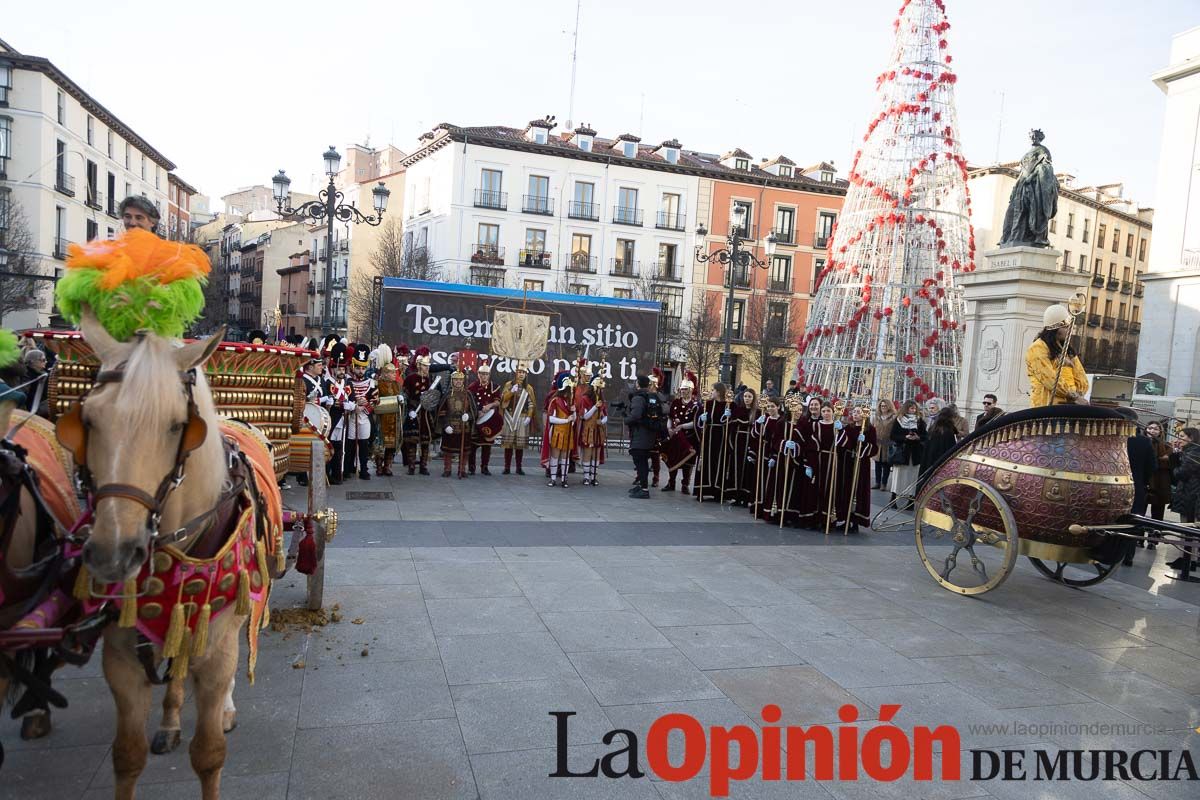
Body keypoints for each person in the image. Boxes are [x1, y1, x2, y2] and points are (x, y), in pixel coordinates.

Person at [1026, 304, 1089, 407]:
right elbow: (1049, 379)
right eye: (1065, 327)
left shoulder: (1067, 350)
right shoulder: (1037, 348)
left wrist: (1078, 395)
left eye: (1069, 326)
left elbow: (1081, 377)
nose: (1069, 330)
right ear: (1055, 329)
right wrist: (1074, 396)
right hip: (1046, 405)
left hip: (1070, 405)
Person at [333, 346, 378, 481]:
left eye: (363, 368)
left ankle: (364, 469)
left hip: (364, 416)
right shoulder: (347, 382)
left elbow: (376, 400)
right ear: (353, 367)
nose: (360, 371)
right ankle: (347, 469)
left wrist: (366, 405)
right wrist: (354, 405)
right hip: (351, 416)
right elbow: (343, 399)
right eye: (358, 368)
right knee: (349, 444)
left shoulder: (371, 383)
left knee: (364, 444)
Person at [837, 404, 878, 532]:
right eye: (854, 412)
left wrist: (864, 443)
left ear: (865, 414)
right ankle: (846, 519)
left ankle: (855, 521)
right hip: (849, 462)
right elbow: (843, 443)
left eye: (858, 412)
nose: (855, 414)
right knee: (847, 489)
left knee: (859, 490)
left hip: (861, 463)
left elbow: (874, 448)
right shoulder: (849, 428)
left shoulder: (870, 429)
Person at [780, 397, 818, 528]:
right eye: (795, 409)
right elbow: (774, 440)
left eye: (800, 410)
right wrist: (784, 444)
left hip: (798, 461)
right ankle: (781, 514)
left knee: (795, 488)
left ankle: (792, 515)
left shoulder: (804, 425)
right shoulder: (782, 423)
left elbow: (808, 443)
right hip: (783, 460)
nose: (797, 412)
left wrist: (797, 447)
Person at [625, 374, 664, 498]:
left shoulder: (638, 398)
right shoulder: (651, 396)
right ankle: (642, 486)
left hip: (640, 433)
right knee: (642, 460)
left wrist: (626, 419)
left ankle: (644, 489)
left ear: (638, 384)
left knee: (640, 460)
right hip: (650, 433)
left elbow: (635, 415)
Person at [694, 383, 733, 501]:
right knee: (705, 460)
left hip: (721, 436)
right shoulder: (707, 404)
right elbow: (698, 421)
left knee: (719, 462)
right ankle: (702, 489)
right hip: (708, 435)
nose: (711, 392)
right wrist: (702, 419)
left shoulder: (728, 404)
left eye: (713, 390)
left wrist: (727, 417)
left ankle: (718, 491)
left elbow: (731, 423)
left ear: (719, 392)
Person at [663, 371, 700, 494]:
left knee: (688, 462)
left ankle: (685, 484)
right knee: (673, 458)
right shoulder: (676, 402)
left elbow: (695, 422)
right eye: (682, 389)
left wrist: (682, 426)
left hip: (688, 437)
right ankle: (671, 482)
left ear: (690, 390)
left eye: (685, 389)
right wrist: (669, 429)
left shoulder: (695, 405)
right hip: (675, 436)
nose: (683, 391)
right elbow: (670, 417)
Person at [1168, 428, 1200, 570]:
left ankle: (1189, 560)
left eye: (1181, 436)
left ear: (1191, 438)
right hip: (1189, 494)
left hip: (1191, 495)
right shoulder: (1191, 451)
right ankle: (1187, 558)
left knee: (1188, 528)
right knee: (1187, 528)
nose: (1178, 439)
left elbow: (1182, 473)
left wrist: (1174, 462)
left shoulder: (1194, 452)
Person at [751, 396, 786, 522]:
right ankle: (758, 507)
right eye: (769, 406)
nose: (770, 408)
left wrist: (775, 455)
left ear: (778, 407)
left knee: (770, 482)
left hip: (774, 452)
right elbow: (755, 435)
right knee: (760, 479)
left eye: (773, 406)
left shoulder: (782, 421)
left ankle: (768, 507)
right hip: (763, 451)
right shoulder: (764, 418)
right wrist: (757, 425)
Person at [402, 352, 437, 475]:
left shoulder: (431, 379)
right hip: (413, 412)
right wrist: (410, 409)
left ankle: (423, 466)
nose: (427, 368)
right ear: (418, 365)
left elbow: (436, 397)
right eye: (424, 365)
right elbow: (405, 396)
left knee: (425, 442)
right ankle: (411, 465)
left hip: (426, 414)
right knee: (411, 441)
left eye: (428, 366)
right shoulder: (410, 378)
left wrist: (429, 398)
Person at [437, 369, 476, 478]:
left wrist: (468, 416)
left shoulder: (468, 394)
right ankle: (447, 469)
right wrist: (446, 425)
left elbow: (474, 411)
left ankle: (462, 469)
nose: (458, 382)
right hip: (450, 425)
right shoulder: (447, 394)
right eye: (456, 380)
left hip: (464, 427)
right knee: (447, 450)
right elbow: (441, 411)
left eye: (460, 380)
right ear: (452, 381)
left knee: (464, 451)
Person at [888, 399, 927, 510]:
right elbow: (893, 436)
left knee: (913, 476)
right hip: (902, 453)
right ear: (906, 408)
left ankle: (910, 500)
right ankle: (894, 498)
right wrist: (905, 437)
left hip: (914, 453)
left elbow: (925, 436)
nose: (913, 410)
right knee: (898, 476)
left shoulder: (919, 421)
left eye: (914, 408)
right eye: (911, 408)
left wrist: (917, 437)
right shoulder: (899, 420)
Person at [500, 362, 537, 475]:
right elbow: (503, 400)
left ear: (526, 374)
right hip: (509, 417)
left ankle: (519, 467)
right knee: (509, 444)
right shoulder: (509, 385)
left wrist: (529, 417)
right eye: (519, 372)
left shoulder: (528, 388)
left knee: (519, 446)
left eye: (523, 373)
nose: (521, 374)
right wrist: (511, 392)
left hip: (522, 417)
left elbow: (531, 404)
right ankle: (507, 467)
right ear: (516, 373)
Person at [468, 359, 503, 475]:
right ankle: (471, 467)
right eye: (482, 374)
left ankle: (484, 467)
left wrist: (490, 405)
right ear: (478, 374)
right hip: (476, 418)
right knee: (473, 445)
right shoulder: (472, 387)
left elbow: (498, 402)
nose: (484, 376)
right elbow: (469, 403)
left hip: (489, 419)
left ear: (489, 375)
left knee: (487, 446)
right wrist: (477, 412)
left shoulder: (495, 387)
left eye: (486, 374)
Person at [543, 371, 577, 488]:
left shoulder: (570, 401)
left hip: (568, 432)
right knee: (555, 455)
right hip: (557, 431)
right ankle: (553, 478)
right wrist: (565, 420)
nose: (570, 391)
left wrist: (574, 411)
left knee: (565, 456)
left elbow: (574, 419)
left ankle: (564, 478)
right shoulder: (555, 400)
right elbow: (551, 418)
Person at [728, 387, 759, 507]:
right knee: (737, 468)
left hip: (750, 441)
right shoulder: (738, 410)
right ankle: (736, 496)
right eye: (745, 396)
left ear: (753, 398)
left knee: (748, 469)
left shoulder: (757, 412)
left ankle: (746, 497)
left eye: (749, 397)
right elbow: (732, 426)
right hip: (738, 442)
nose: (747, 399)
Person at [373, 361, 403, 476]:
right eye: (391, 372)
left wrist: (401, 398)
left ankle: (387, 466)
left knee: (391, 444)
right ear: (385, 373)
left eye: (394, 372)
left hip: (394, 417)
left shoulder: (397, 384)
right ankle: (379, 467)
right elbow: (375, 399)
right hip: (382, 418)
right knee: (380, 443)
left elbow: (402, 394)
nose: (394, 374)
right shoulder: (378, 384)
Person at [577, 376, 608, 486]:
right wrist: (595, 407)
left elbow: (605, 416)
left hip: (598, 430)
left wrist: (602, 421)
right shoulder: (585, 399)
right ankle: (586, 476)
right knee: (588, 452)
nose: (600, 390)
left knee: (596, 452)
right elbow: (585, 416)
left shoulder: (601, 400)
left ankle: (593, 476)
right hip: (588, 429)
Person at [920, 405, 963, 483]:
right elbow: (951, 450)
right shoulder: (948, 431)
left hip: (929, 461)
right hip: (940, 463)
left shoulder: (933, 429)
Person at [1145, 421, 1172, 529]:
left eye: (1156, 429)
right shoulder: (1141, 443)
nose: (1152, 431)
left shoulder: (1166, 445)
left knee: (1157, 513)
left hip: (1161, 482)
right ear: (1145, 429)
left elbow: (1168, 462)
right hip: (1145, 481)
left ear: (1160, 431)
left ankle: (1153, 539)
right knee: (1140, 511)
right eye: (1150, 428)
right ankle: (1139, 537)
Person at [872, 399, 896, 490]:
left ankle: (884, 483)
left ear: (889, 406)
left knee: (886, 465)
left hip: (888, 444)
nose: (883, 408)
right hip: (878, 444)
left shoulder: (893, 417)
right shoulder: (876, 417)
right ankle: (877, 482)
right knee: (877, 464)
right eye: (882, 406)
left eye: (885, 406)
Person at [21, 348, 50, 418]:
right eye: (43, 360)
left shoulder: (43, 374)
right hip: (34, 409)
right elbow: (24, 395)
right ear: (32, 362)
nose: (46, 362)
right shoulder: (27, 375)